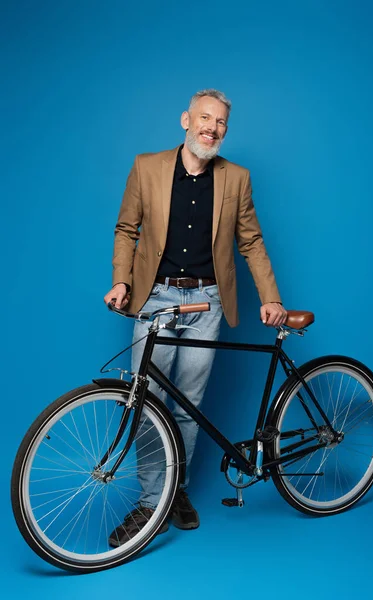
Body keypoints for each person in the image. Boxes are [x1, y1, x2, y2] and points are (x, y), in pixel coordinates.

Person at [104, 89, 287, 545]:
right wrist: (122, 282)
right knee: (147, 405)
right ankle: (151, 502)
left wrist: (271, 296)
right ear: (186, 120)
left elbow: (251, 242)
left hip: (208, 303)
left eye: (221, 121)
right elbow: (127, 229)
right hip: (155, 299)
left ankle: (175, 491)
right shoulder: (147, 167)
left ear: (225, 129)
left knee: (188, 406)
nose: (212, 127)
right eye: (205, 117)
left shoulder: (236, 178)